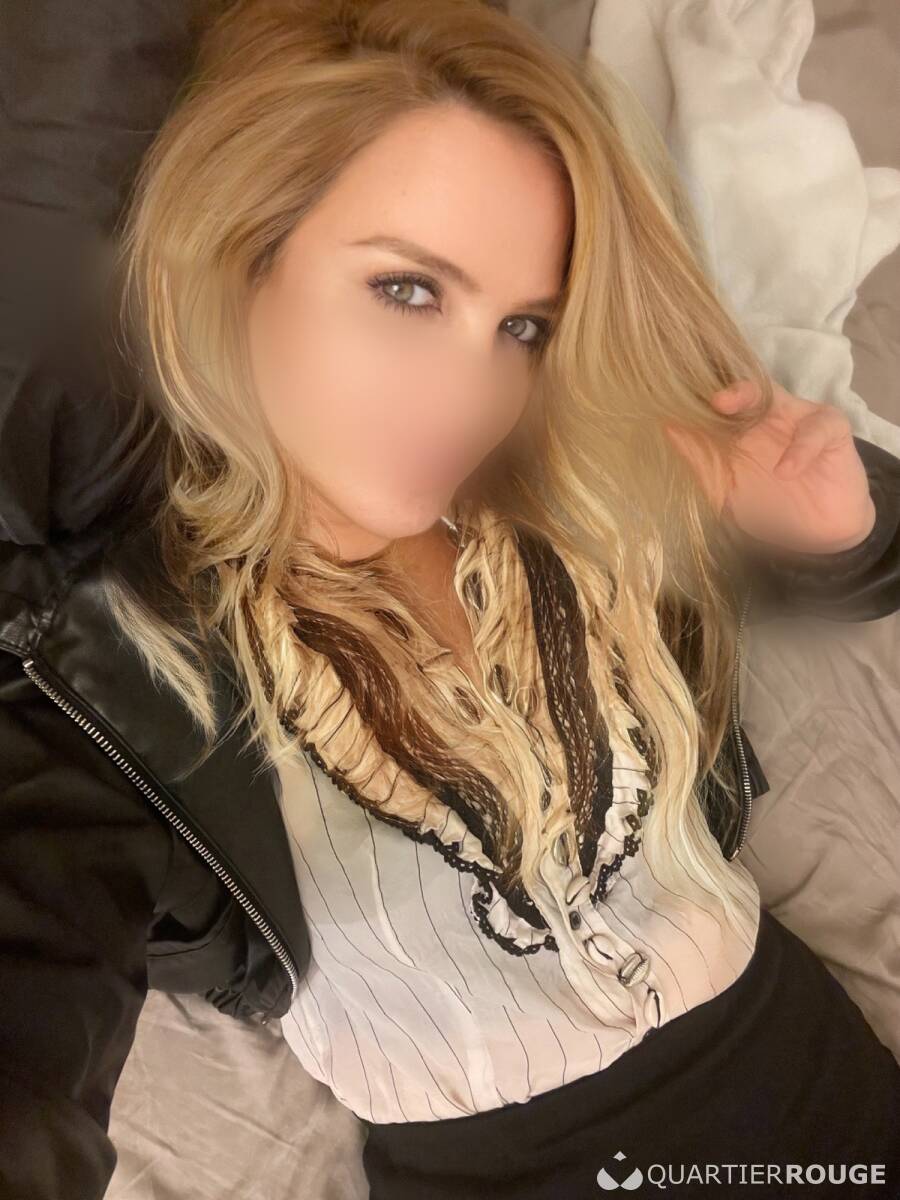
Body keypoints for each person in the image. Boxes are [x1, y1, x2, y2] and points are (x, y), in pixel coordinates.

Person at [1, 1, 899, 1198]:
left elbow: (840, 561)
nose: (474, 390)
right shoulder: (115, 674)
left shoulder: (569, 489)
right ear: (240, 258)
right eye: (409, 291)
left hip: (834, 1102)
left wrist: (841, 531)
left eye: (521, 325)